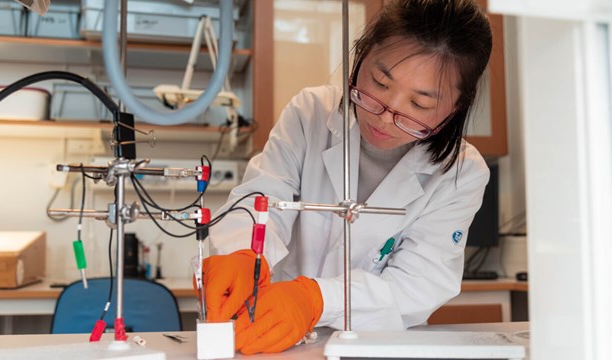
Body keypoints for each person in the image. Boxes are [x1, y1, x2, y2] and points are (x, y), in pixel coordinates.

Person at [200, 0, 493, 354]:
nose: (385, 117)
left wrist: (315, 300)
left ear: (455, 109)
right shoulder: (311, 113)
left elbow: (418, 285)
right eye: (380, 83)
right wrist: (244, 254)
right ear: (361, 56)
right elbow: (261, 200)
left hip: (376, 344)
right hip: (274, 333)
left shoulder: (460, 173)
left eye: (419, 106)